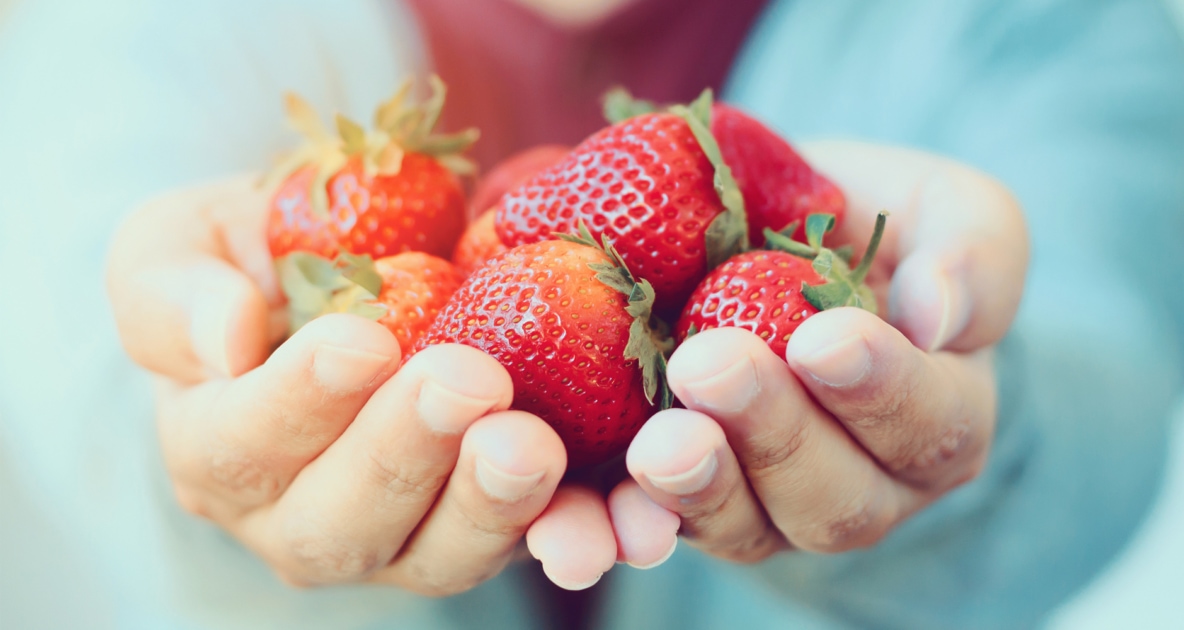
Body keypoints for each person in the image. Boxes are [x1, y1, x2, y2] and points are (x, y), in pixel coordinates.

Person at [0, 0, 1181, 628]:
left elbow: (1108, 385)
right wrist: (204, 445)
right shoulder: (151, 27)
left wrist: (965, 430)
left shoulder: (1047, 20)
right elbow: (77, 361)